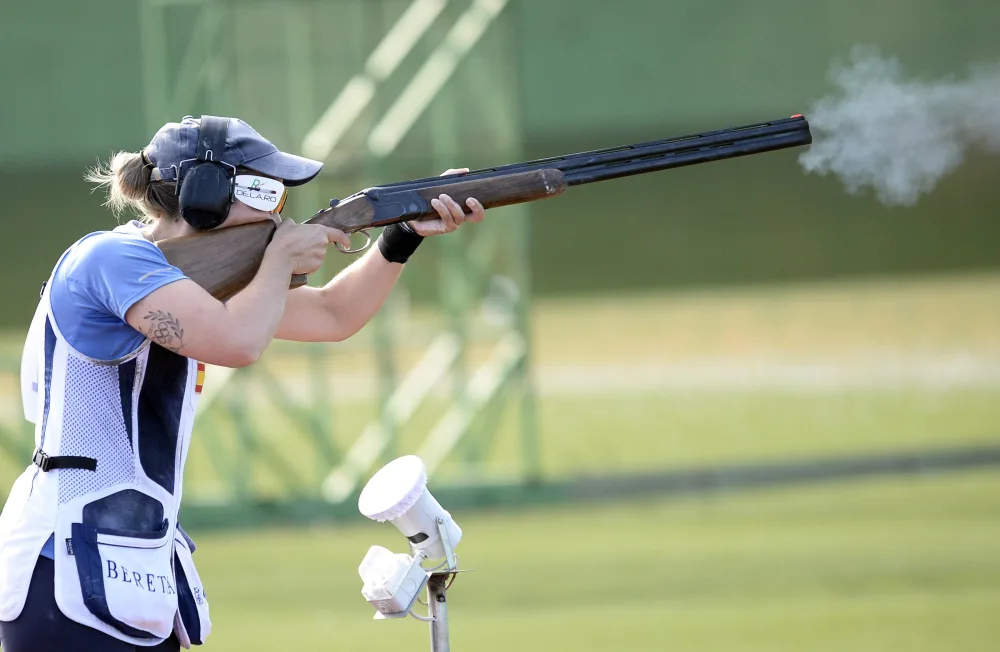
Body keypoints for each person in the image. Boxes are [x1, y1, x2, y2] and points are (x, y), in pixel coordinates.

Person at [0, 115, 486, 651]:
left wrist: (403, 233)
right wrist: (277, 262)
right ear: (204, 195)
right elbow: (238, 343)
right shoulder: (109, 259)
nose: (277, 210)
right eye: (262, 190)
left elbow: (333, 314)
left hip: (129, 562)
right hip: (63, 562)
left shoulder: (182, 279)